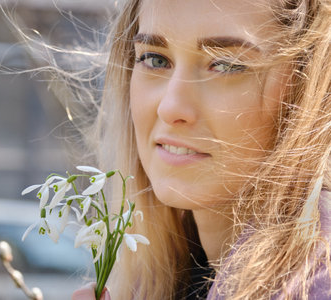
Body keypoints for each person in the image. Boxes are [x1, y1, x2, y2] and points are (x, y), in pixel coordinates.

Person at [65, 0, 331, 299]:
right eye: (154, 59)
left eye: (226, 65)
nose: (171, 107)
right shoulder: (158, 280)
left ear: (309, 89)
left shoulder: (317, 284)